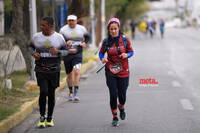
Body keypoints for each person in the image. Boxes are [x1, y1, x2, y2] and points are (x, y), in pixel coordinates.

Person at [29, 16, 75, 128]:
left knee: (51, 93)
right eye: (41, 25)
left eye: (43, 25)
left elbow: (66, 51)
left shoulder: (59, 37)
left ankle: (49, 118)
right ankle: (41, 117)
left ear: (50, 26)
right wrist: (33, 54)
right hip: (41, 68)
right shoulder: (36, 37)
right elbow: (30, 47)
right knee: (43, 91)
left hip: (54, 69)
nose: (41, 27)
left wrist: (58, 52)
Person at [98, 18, 134, 126]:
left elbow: (131, 51)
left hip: (123, 70)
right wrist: (102, 59)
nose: (113, 31)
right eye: (111, 29)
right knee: (113, 94)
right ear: (108, 30)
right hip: (110, 70)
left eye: (115, 29)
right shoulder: (106, 41)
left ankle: (121, 107)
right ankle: (114, 116)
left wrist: (126, 55)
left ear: (119, 28)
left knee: (122, 96)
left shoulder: (125, 40)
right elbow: (101, 53)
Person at [59, 15, 90, 102]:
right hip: (67, 54)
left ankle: (76, 94)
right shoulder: (63, 30)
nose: (71, 22)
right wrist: (66, 42)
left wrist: (85, 43)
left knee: (76, 72)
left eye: (73, 20)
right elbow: (59, 41)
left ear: (76, 21)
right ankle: (71, 92)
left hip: (78, 53)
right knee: (69, 75)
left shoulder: (82, 29)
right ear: (67, 21)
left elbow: (88, 37)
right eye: (69, 21)